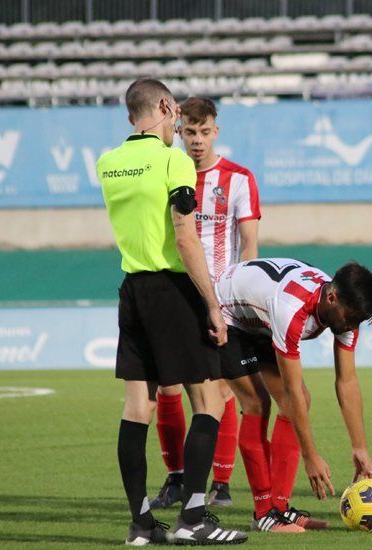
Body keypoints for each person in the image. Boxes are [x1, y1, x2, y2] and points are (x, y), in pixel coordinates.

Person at [97, 78, 246, 545]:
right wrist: (213, 306)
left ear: (129, 117)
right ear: (166, 106)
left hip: (131, 289)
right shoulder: (174, 160)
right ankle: (194, 519)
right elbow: (185, 237)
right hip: (171, 289)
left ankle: (141, 525)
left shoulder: (109, 162)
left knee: (137, 407)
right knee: (211, 402)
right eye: (175, 110)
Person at [150, 96, 271, 513]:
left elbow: (250, 246)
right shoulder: (166, 173)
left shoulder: (239, 179)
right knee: (166, 386)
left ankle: (220, 482)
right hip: (173, 294)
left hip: (221, 297)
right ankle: (177, 478)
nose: (197, 141)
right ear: (179, 131)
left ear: (216, 131)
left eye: (204, 132)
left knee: (219, 390)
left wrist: (244, 303)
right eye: (189, 133)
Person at [215, 258, 372, 532]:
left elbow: (347, 381)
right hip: (225, 312)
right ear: (332, 298)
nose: (353, 325)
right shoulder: (292, 309)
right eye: (352, 318)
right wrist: (310, 456)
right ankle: (264, 515)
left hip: (259, 320)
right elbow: (291, 388)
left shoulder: (343, 314)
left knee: (299, 403)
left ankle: (281, 510)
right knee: (257, 403)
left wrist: (360, 448)